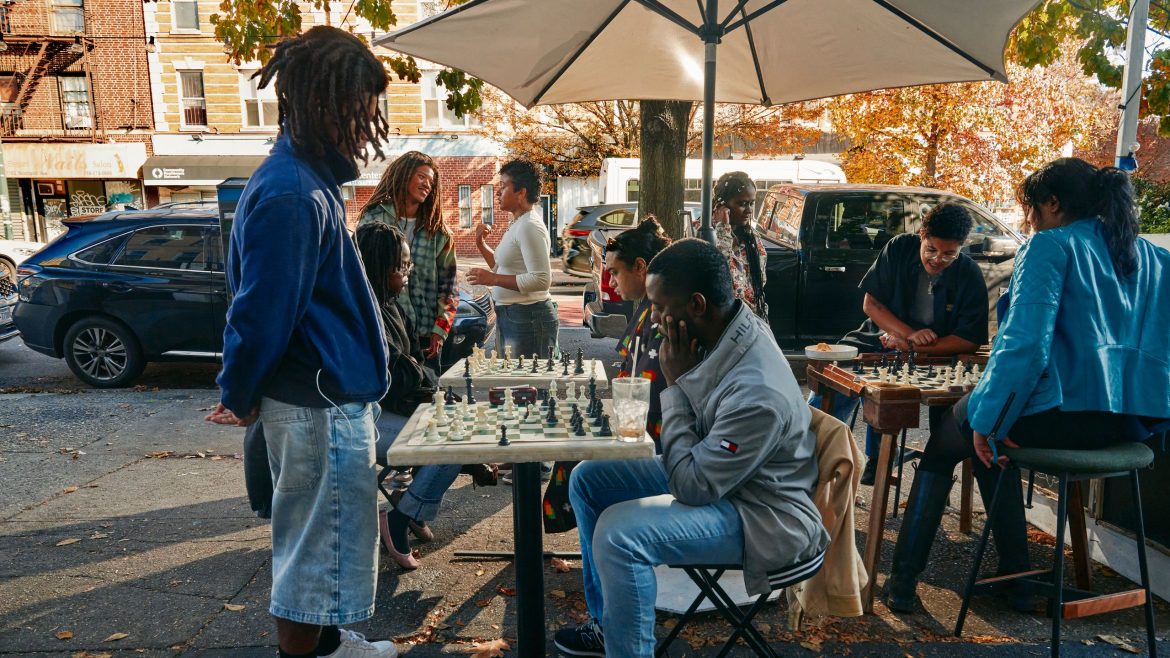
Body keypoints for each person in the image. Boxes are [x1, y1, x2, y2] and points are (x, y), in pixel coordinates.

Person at [885, 158, 1170, 613]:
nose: (1028, 220)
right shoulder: (1157, 257)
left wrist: (989, 419)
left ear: (1052, 203)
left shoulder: (1050, 246)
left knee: (946, 441)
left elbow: (1024, 348)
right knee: (988, 448)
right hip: (1135, 426)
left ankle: (901, 584)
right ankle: (1017, 580)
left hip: (1061, 418)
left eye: (1031, 209)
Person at [204, 26, 398, 658]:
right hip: (317, 405)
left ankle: (331, 644)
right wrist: (239, 390)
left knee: (325, 551)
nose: (366, 126)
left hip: (321, 398)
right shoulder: (291, 190)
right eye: (359, 111)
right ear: (324, 103)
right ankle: (309, 650)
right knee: (313, 559)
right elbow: (259, 312)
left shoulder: (303, 178)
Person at [554, 238, 828, 657]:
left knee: (619, 535)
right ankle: (610, 625)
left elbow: (691, 486)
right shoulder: (728, 325)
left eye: (661, 309)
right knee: (589, 477)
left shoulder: (757, 391)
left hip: (764, 514)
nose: (655, 320)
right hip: (728, 476)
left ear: (697, 305)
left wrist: (677, 385)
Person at [808, 203, 989, 485]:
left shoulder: (969, 273)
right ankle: (810, 450)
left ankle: (887, 463)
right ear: (921, 235)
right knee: (832, 380)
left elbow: (969, 338)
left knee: (941, 418)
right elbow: (872, 304)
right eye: (931, 249)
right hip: (877, 337)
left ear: (961, 248)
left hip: (934, 357)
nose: (937, 259)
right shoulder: (898, 248)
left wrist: (915, 347)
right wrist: (907, 334)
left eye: (949, 254)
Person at [542, 218, 673, 535]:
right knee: (571, 449)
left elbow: (647, 398)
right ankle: (596, 543)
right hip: (642, 430)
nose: (611, 283)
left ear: (640, 267)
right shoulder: (644, 307)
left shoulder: (657, 316)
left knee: (576, 463)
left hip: (655, 444)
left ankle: (600, 544)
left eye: (614, 272)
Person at [358, 151, 457, 373]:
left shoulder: (439, 233)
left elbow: (449, 288)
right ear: (403, 175)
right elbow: (358, 276)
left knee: (426, 399)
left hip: (425, 336)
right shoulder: (372, 219)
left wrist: (440, 330)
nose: (427, 185)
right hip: (384, 331)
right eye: (422, 176)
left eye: (431, 181)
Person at [467, 159, 559, 358]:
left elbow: (542, 280)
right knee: (513, 384)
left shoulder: (529, 226)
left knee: (525, 386)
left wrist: (492, 280)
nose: (498, 192)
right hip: (512, 316)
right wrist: (481, 245)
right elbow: (502, 268)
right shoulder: (517, 223)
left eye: (503, 186)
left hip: (528, 318)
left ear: (521, 192)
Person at [712, 171, 768, 317]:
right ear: (722, 204)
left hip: (750, 318)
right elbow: (718, 276)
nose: (749, 210)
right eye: (742, 204)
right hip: (722, 318)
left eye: (751, 203)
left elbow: (758, 283)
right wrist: (723, 230)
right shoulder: (705, 232)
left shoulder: (751, 236)